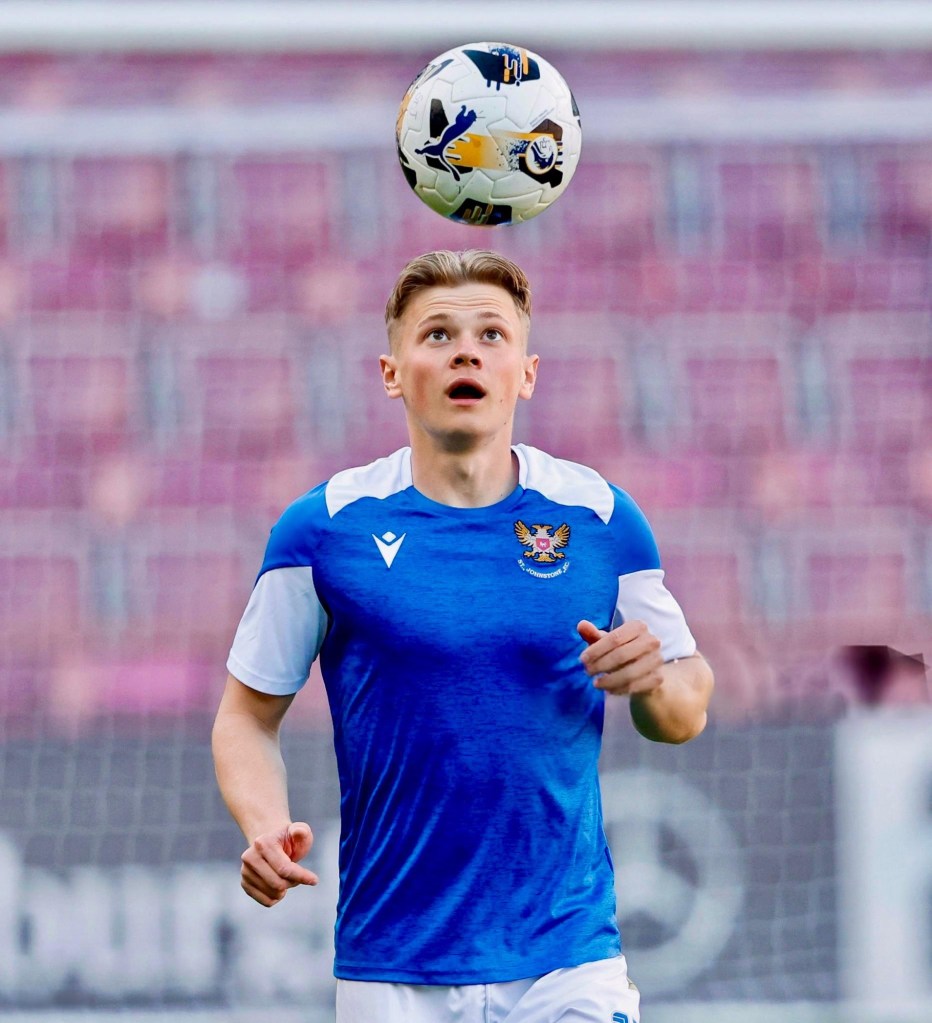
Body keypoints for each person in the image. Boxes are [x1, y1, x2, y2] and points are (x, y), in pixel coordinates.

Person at [212, 249, 714, 1023]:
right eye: (438, 334)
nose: (466, 352)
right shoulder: (323, 529)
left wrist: (652, 681)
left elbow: (685, 703)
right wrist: (265, 826)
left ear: (527, 373)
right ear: (391, 373)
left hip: (567, 954)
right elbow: (247, 715)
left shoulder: (601, 519)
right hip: (393, 963)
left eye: (491, 334)